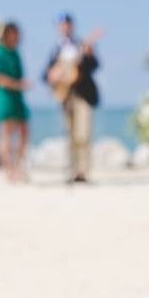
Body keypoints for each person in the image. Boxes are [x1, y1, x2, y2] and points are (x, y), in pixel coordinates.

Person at [43, 13, 101, 183]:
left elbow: (94, 65)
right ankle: (72, 169)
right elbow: (46, 74)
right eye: (62, 25)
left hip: (83, 94)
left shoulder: (81, 45)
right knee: (70, 134)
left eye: (67, 24)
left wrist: (89, 55)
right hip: (65, 96)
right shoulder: (56, 49)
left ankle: (83, 171)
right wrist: (52, 76)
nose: (65, 28)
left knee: (83, 133)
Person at [0, 22, 31, 182]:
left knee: (24, 132)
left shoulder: (15, 52)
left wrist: (20, 86)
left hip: (18, 97)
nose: (16, 37)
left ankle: (19, 166)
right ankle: (8, 170)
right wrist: (18, 85)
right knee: (6, 134)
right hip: (6, 97)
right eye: (13, 33)